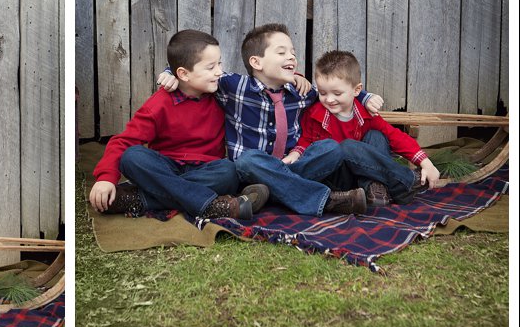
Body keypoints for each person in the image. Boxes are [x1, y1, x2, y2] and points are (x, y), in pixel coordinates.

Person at [159, 24, 382, 216]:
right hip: (251, 170)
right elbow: (196, 69)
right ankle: (326, 200)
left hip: (292, 164)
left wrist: (364, 96)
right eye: (282, 52)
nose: (292, 57)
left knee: (331, 149)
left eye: (293, 52)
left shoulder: (301, 91)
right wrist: (170, 71)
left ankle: (273, 192)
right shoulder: (234, 87)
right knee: (248, 160)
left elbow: (335, 88)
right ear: (256, 62)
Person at [89, 29, 269, 223]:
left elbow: (263, 83)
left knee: (229, 172)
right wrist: (106, 178)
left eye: (219, 63)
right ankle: (212, 206)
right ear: (183, 74)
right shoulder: (160, 104)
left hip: (206, 169)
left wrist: (295, 77)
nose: (219, 71)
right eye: (210, 67)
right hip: (166, 167)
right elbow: (123, 142)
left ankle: (138, 199)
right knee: (132, 157)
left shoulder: (222, 93)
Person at [290, 50, 440, 204]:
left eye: (337, 93)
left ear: (356, 90)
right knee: (345, 147)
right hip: (338, 177)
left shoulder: (365, 114)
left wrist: (425, 162)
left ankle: (376, 191)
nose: (329, 99)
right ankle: (405, 180)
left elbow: (395, 136)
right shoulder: (315, 115)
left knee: (376, 135)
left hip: (364, 174)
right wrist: (296, 153)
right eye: (322, 93)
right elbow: (306, 140)